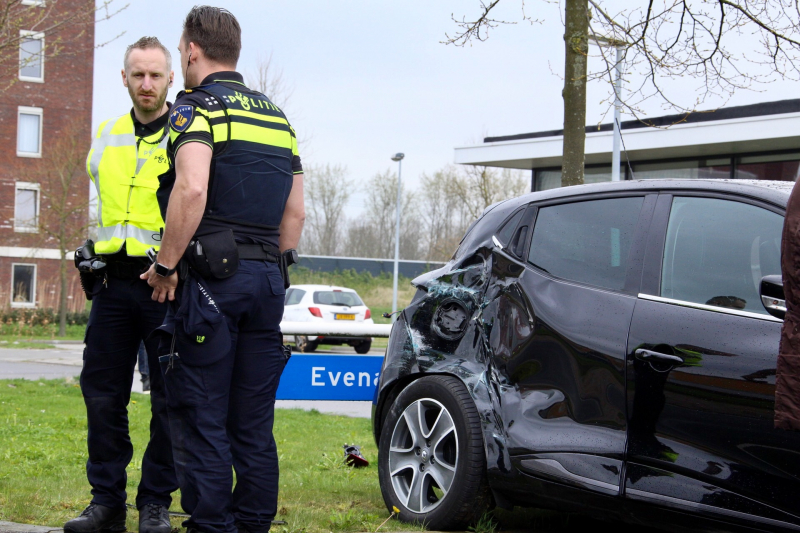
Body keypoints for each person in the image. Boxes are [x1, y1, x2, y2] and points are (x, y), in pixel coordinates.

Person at [141, 7, 305, 533]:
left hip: (213, 286)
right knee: (254, 423)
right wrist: (272, 270)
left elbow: (191, 188)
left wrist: (167, 267)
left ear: (190, 51)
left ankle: (210, 526)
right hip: (268, 286)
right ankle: (253, 524)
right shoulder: (279, 118)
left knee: (203, 415)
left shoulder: (195, 109)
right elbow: (295, 212)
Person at [65, 37, 178, 533]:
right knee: (102, 393)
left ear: (171, 78)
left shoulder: (185, 134)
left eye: (156, 75)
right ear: (125, 78)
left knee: (169, 399)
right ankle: (105, 501)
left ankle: (154, 502)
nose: (147, 84)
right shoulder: (107, 134)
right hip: (112, 283)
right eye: (138, 75)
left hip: (165, 284)